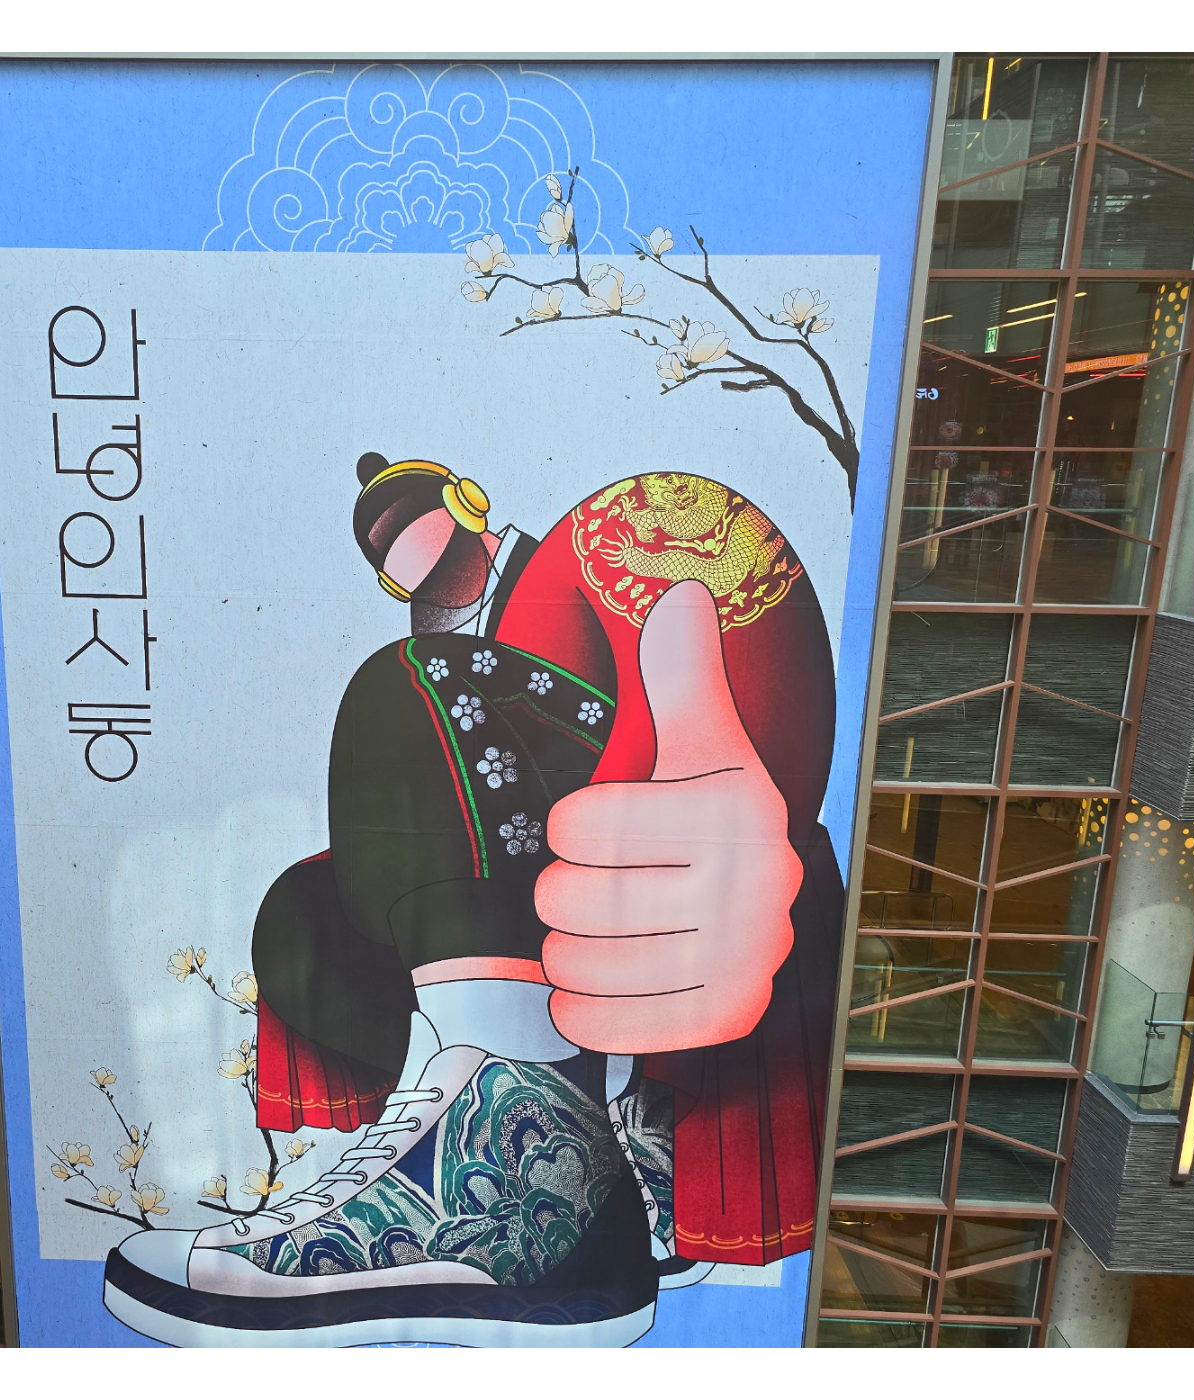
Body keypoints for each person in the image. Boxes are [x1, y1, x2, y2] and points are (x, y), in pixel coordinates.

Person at [103, 455, 843, 1346]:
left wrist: (737, 812)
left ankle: (536, 1160)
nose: (416, 565)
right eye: (395, 559)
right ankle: (501, 1098)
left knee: (407, 683)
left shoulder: (565, 565)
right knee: (304, 916)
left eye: (420, 532)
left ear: (468, 508)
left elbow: (686, 547)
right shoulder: (455, 639)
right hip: (545, 925)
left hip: (631, 885)